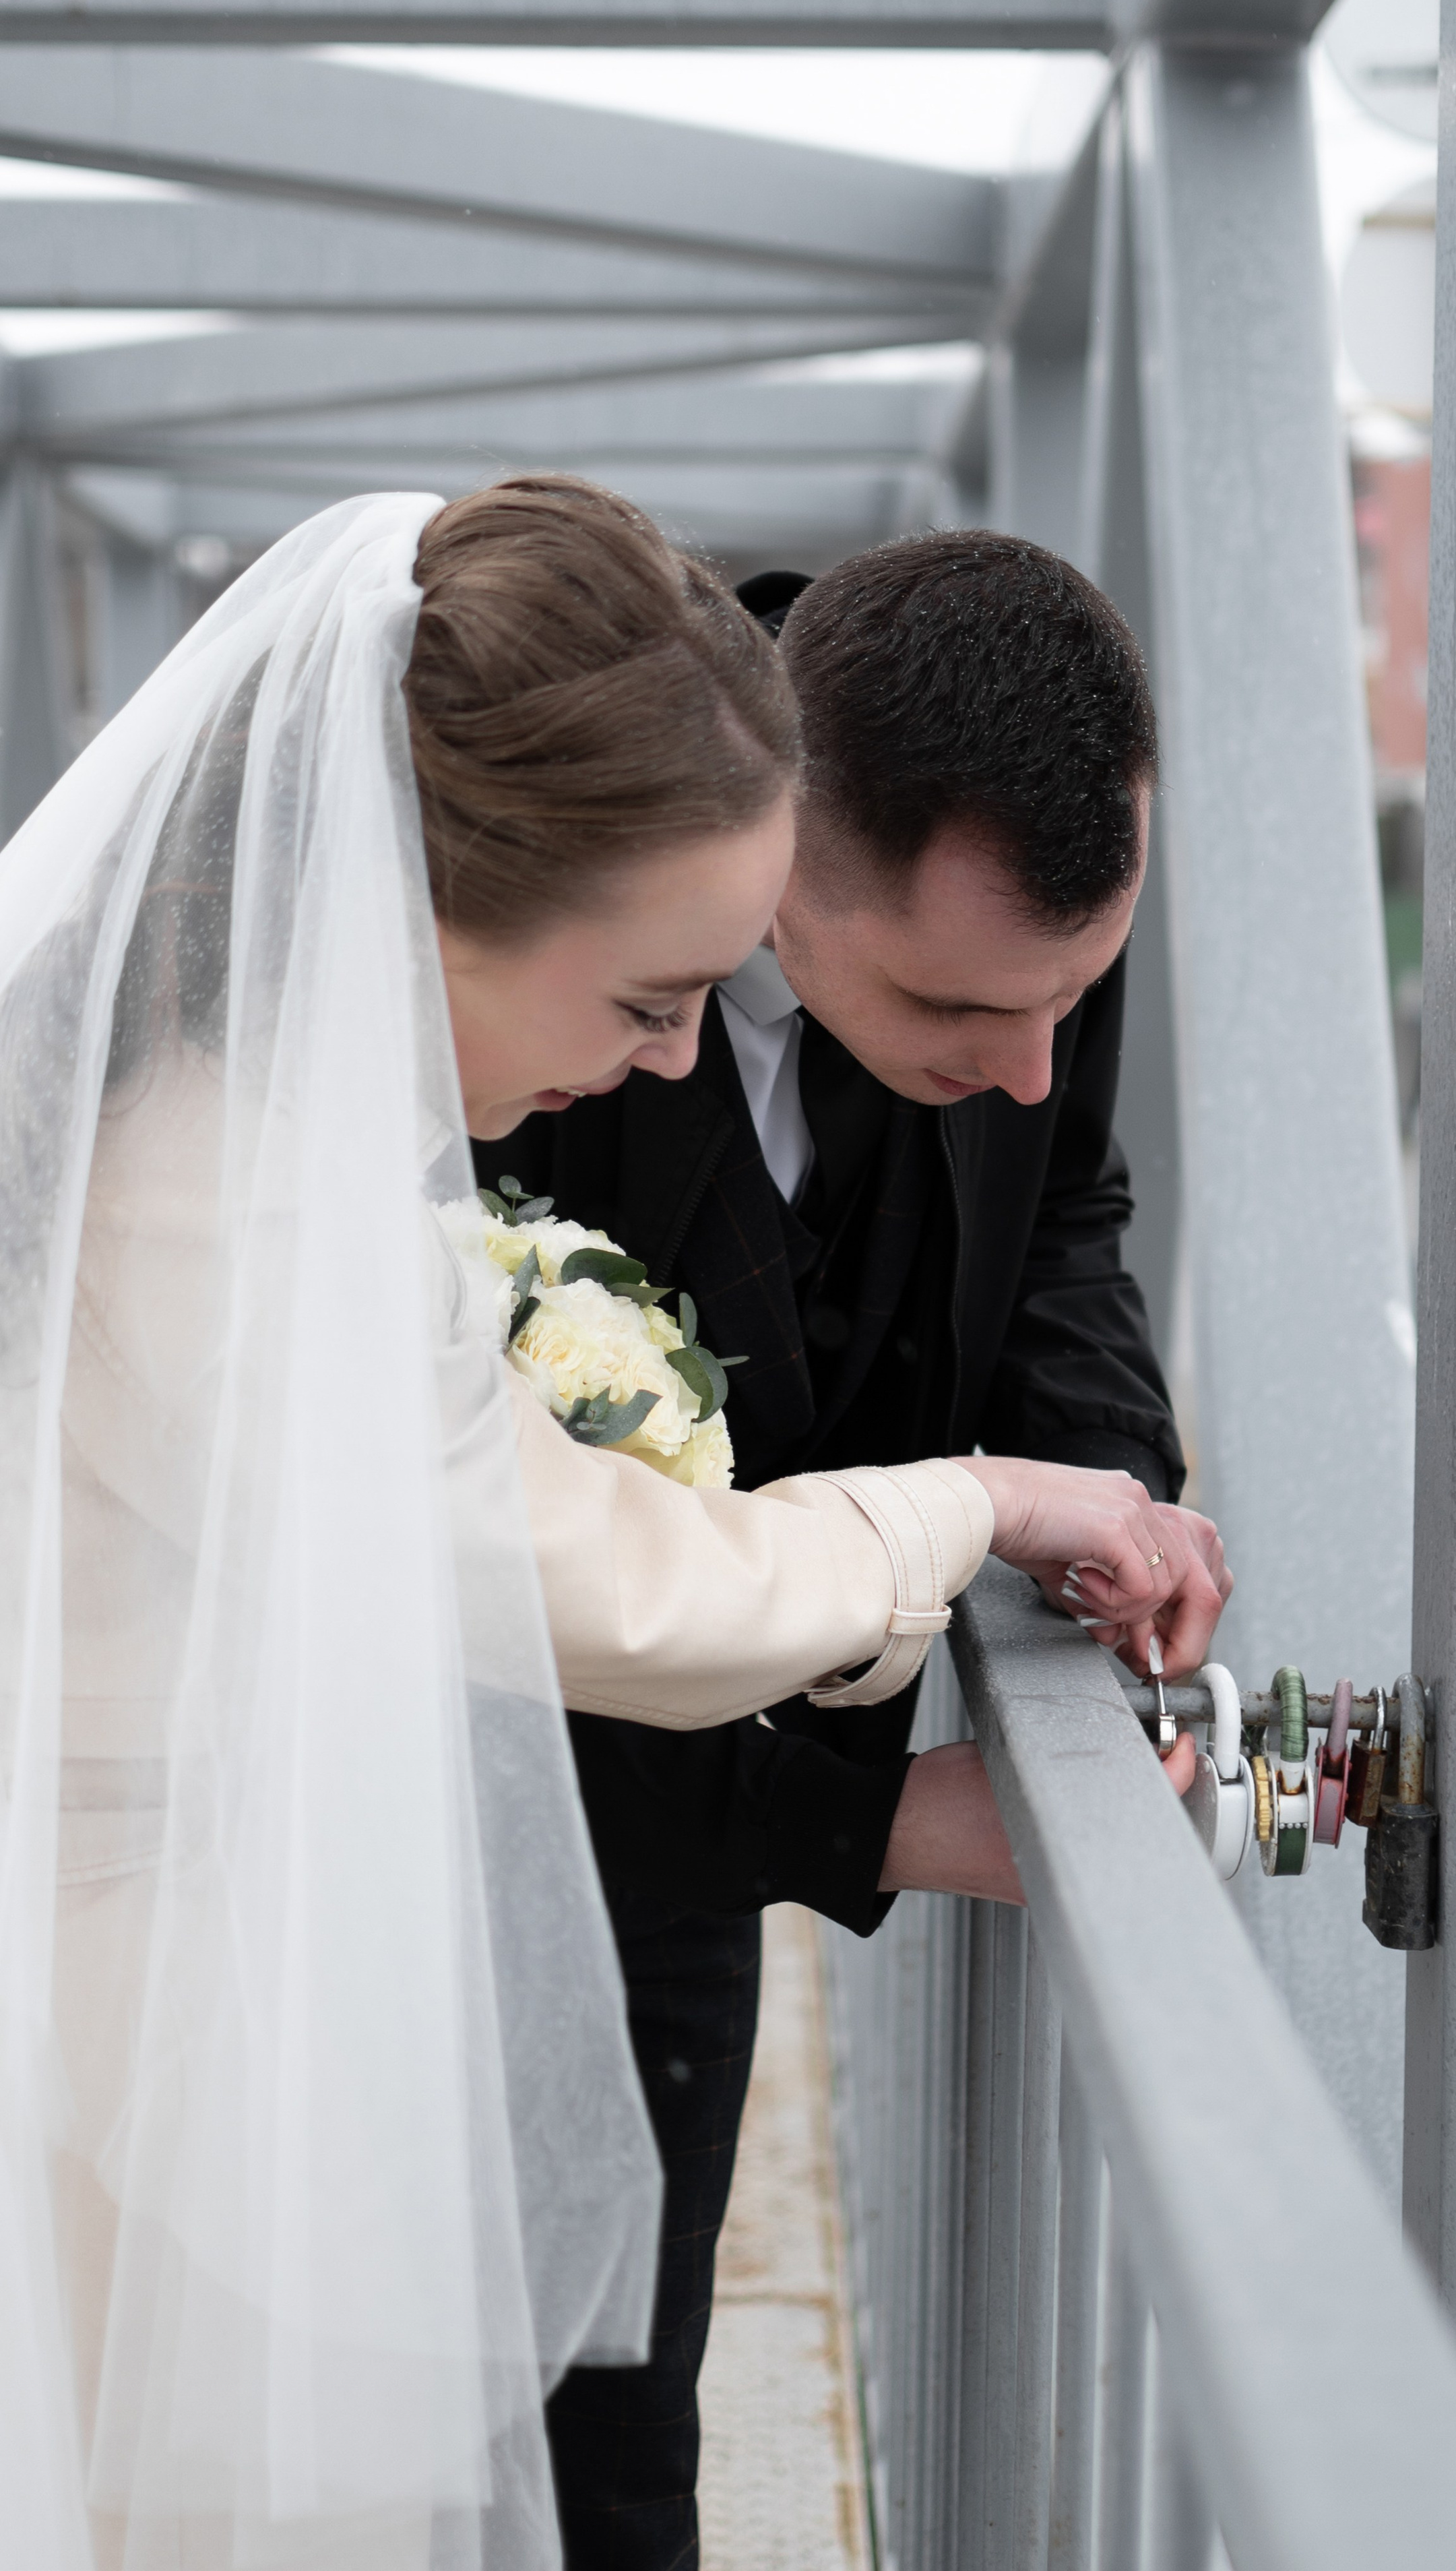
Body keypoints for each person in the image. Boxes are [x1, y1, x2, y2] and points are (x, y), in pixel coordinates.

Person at [0, 477, 1214, 2570]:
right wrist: (977, 1507)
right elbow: (578, 1570)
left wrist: (1079, 1491)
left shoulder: (315, 1088)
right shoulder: (224, 1168)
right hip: (155, 2020)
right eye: (650, 1000)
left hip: (289, 1965)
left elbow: (1053, 1222)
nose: (666, 1044)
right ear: (438, 901)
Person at [478, 529, 1230, 2568]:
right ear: (777, 846)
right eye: (969, 1005)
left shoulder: (1031, 891)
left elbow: (1065, 1196)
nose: (1031, 1060)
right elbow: (482, 1598)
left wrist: (1101, 1489)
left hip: (677, 1868)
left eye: (1078, 994)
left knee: (620, 2435)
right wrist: (874, 1821)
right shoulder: (504, 937)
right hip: (436, 1804)